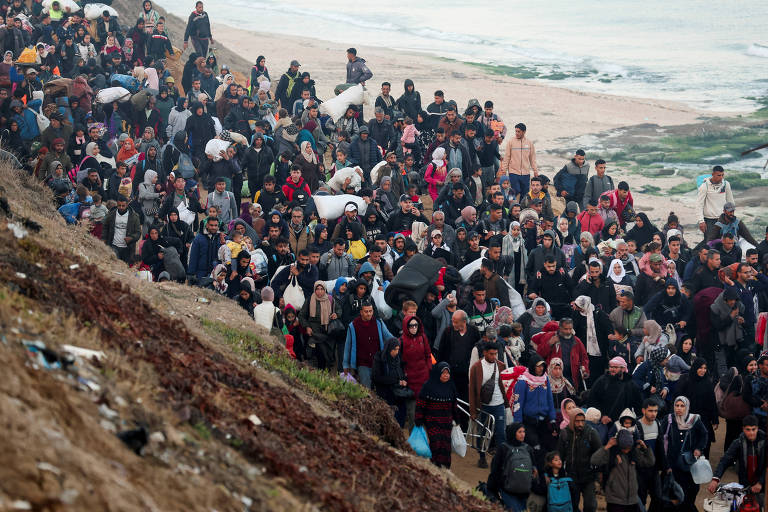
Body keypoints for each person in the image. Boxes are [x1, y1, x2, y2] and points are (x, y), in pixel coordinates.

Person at [662, 396, 708, 512]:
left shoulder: (694, 420)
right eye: (677, 406)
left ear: (687, 407)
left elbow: (704, 434)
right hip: (672, 462)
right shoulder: (669, 419)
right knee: (675, 492)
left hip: (689, 463)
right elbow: (661, 437)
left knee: (691, 490)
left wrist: (698, 448)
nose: (679, 409)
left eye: (682, 406)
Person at [590, 429, 655, 512]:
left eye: (629, 448)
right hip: (615, 500)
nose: (626, 450)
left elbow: (650, 462)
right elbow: (594, 460)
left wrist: (645, 448)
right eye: (624, 448)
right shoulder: (611, 452)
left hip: (632, 500)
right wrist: (607, 446)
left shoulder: (634, 453)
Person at [708, 415, 766, 503]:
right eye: (748, 429)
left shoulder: (765, 442)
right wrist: (715, 479)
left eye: (753, 429)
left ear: (757, 428)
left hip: (764, 483)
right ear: (743, 429)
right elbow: (725, 460)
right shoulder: (738, 442)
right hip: (745, 484)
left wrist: (761, 483)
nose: (751, 433)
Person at [469, 342, 509, 468]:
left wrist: (507, 404)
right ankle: (482, 457)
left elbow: (505, 385)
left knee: (501, 434)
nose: (493, 356)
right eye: (491, 354)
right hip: (483, 406)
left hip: (499, 405)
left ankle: (500, 461)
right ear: (485, 353)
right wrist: (473, 411)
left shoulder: (501, 366)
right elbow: (472, 390)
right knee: (482, 433)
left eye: (495, 354)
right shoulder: (476, 367)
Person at [415, 362, 460, 468]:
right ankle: (434, 466)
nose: (446, 375)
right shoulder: (428, 386)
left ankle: (444, 467)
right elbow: (421, 404)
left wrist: (457, 419)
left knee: (446, 446)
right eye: (443, 373)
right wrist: (419, 419)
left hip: (446, 422)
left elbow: (454, 405)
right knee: (436, 443)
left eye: (447, 373)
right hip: (432, 421)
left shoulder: (451, 386)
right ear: (438, 373)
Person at [557, 409, 602, 512]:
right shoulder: (565, 434)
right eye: (577, 421)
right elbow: (560, 454)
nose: (580, 424)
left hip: (588, 476)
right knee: (572, 506)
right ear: (572, 420)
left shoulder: (591, 432)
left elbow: (600, 453)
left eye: (582, 420)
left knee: (590, 506)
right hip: (571, 477)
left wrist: (598, 472)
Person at [487, 423, 537, 512]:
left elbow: (533, 468)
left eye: (524, 431)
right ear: (513, 433)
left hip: (525, 492)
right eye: (519, 432)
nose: (523, 434)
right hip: (508, 491)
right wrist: (492, 488)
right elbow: (495, 469)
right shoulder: (503, 448)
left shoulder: (528, 448)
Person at [343, 301, 393, 388]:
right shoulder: (353, 325)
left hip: (378, 362)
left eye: (370, 311)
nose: (369, 314)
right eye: (366, 311)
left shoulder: (378, 323)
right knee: (366, 389)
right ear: (361, 312)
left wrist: (399, 342)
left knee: (379, 389)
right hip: (362, 363)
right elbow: (348, 346)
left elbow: (389, 337)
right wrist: (346, 364)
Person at [437, 310, 482, 407]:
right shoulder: (448, 332)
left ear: (464, 322)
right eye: (452, 321)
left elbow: (479, 350)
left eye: (456, 322)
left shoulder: (473, 331)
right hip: (452, 373)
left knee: (466, 400)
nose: (453, 324)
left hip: (467, 374)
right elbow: (441, 353)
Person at [399, 315, 432, 430]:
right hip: (411, 382)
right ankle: (414, 442)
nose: (413, 328)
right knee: (413, 414)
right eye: (411, 325)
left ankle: (428, 442)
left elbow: (428, 355)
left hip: (424, 379)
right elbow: (399, 362)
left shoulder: (423, 337)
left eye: (416, 325)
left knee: (426, 414)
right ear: (406, 327)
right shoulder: (401, 341)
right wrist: (404, 376)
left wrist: (428, 369)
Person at [372, 338, 408, 426]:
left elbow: (401, 373)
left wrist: (403, 381)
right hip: (385, 394)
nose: (396, 352)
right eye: (394, 349)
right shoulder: (380, 359)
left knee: (401, 414)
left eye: (398, 349)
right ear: (389, 348)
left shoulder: (397, 359)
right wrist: (396, 381)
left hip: (398, 394)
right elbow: (376, 377)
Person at [500, 122, 538, 198]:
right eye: (516, 131)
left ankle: (520, 208)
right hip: (513, 172)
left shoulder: (529, 143)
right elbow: (507, 157)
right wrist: (504, 170)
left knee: (525, 193)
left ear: (524, 132)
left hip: (526, 173)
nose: (516, 133)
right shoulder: (511, 142)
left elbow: (532, 158)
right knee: (515, 190)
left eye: (518, 131)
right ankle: (510, 205)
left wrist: (535, 170)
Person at [697, 165, 734, 241]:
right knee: (710, 243)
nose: (721, 177)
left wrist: (732, 217)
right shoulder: (704, 186)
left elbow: (730, 202)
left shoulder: (726, 184)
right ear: (713, 174)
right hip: (710, 220)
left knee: (724, 242)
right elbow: (699, 205)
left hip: (724, 219)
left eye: (722, 175)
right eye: (719, 175)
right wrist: (701, 221)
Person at [101, 195, 141, 263]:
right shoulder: (111, 215)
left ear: (127, 204)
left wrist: (131, 238)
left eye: (123, 205)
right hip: (113, 245)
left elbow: (138, 233)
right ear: (117, 204)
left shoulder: (134, 216)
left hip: (128, 248)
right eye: (119, 205)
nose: (121, 207)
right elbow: (105, 227)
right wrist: (104, 238)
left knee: (125, 266)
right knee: (114, 264)